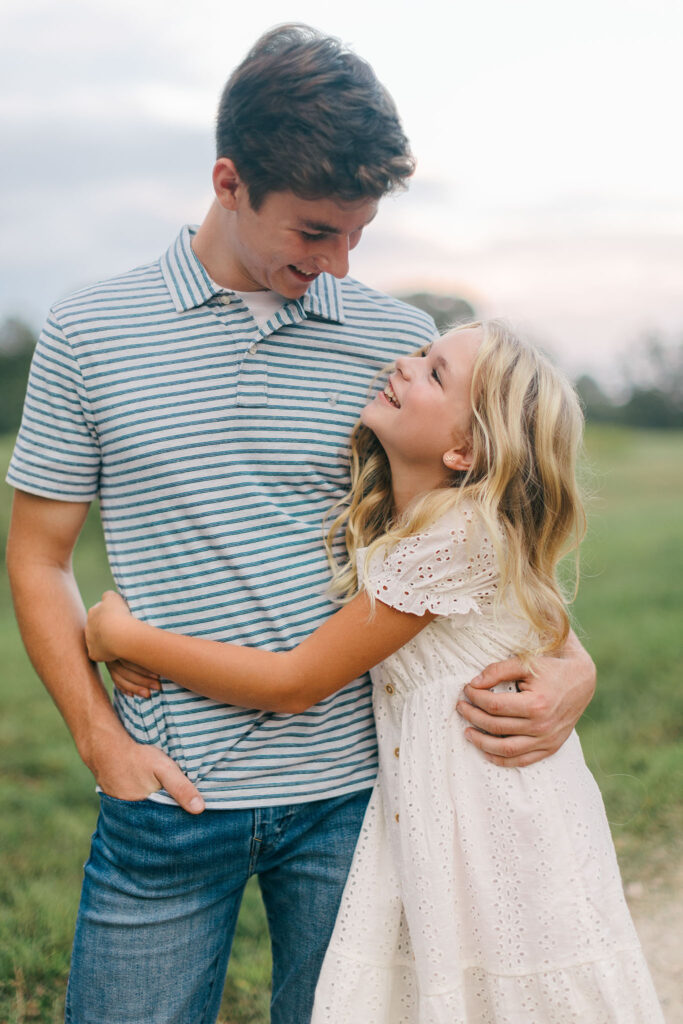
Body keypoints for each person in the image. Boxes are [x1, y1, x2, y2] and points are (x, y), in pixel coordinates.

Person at [5, 25, 596, 1024]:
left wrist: (569, 662)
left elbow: (471, 542)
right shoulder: (86, 332)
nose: (338, 260)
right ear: (229, 182)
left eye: (358, 234)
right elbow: (37, 555)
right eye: (315, 232)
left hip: (362, 804)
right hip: (165, 801)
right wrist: (99, 740)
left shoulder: (397, 350)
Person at [85, 321, 664, 1024]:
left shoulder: (456, 537)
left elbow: (294, 682)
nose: (404, 364)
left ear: (464, 448)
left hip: (492, 812)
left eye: (434, 373)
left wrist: (126, 635)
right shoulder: (429, 525)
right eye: (421, 355)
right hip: (454, 802)